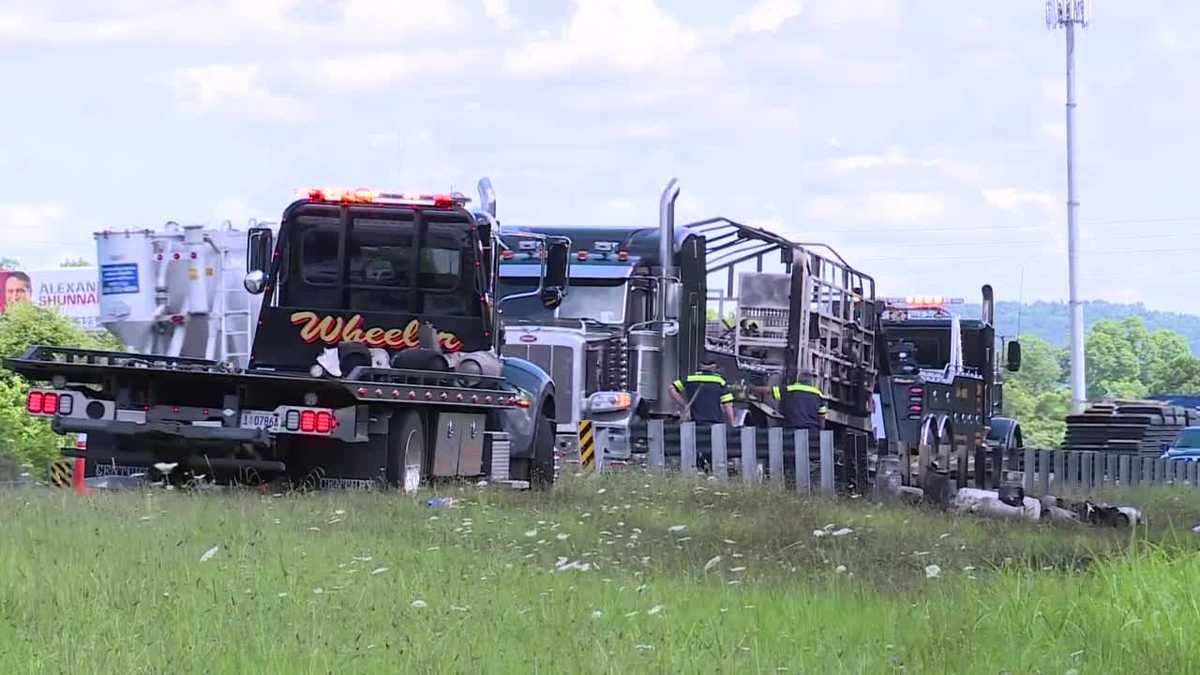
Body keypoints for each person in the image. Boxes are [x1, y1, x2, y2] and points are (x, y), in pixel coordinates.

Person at [670, 359, 736, 426]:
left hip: (693, 423)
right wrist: (732, 423)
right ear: (714, 367)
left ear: (700, 366)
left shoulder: (690, 378)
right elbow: (727, 405)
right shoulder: (720, 381)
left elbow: (671, 388)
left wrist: (684, 404)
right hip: (714, 422)